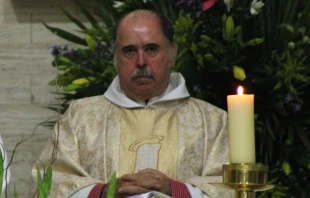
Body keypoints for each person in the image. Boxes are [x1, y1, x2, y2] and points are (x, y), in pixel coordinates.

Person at [33, 9, 233, 198]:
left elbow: (232, 189)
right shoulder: (80, 116)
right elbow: (46, 184)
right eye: (129, 51)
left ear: (172, 54)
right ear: (115, 58)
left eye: (151, 49)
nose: (141, 61)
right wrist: (105, 192)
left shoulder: (212, 121)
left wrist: (173, 190)